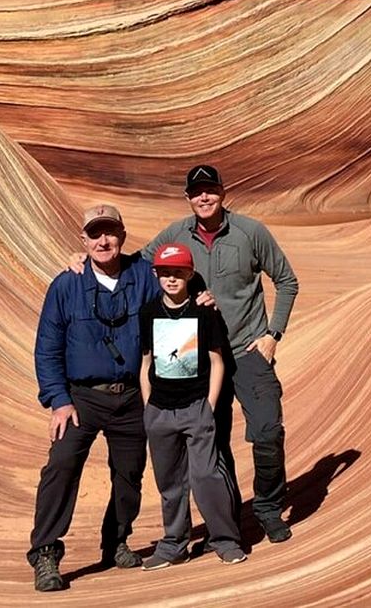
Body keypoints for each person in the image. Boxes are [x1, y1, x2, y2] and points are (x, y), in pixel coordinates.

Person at [142, 165, 299, 544]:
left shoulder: (250, 232)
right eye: (196, 192)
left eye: (210, 190)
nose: (204, 198)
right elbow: (139, 266)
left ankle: (267, 506)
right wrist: (85, 264)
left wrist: (273, 334)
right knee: (214, 437)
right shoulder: (177, 234)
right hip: (197, 355)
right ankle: (229, 518)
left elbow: (286, 280)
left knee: (266, 430)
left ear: (223, 192)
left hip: (248, 349)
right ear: (188, 198)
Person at [26, 204, 160, 592]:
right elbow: (47, 348)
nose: (104, 241)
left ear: (123, 234)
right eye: (95, 234)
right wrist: (58, 400)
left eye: (111, 232)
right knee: (61, 466)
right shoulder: (66, 285)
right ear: (82, 240)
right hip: (80, 399)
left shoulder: (143, 277)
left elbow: (177, 283)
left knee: (130, 472)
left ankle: (115, 541)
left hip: (132, 396)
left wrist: (202, 298)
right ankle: (46, 553)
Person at [137, 243, 245, 568]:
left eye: (178, 272)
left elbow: (217, 361)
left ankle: (225, 540)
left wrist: (209, 406)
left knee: (206, 476)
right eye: (165, 272)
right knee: (169, 482)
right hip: (159, 410)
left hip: (196, 406)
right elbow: (145, 362)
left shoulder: (204, 311)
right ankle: (173, 545)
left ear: (189, 274)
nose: (172, 278)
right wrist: (148, 406)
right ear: (156, 274)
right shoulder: (148, 312)